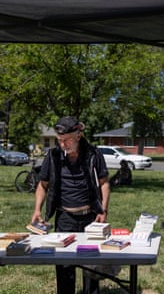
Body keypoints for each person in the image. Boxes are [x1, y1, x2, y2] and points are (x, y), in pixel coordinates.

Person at [31, 116, 110, 294]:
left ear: (78, 136)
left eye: (67, 140)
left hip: (90, 217)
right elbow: (43, 185)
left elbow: (104, 182)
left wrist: (103, 211)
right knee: (64, 266)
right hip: (65, 218)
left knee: (91, 266)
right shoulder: (53, 155)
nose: (63, 144)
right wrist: (37, 210)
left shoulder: (93, 154)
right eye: (60, 140)